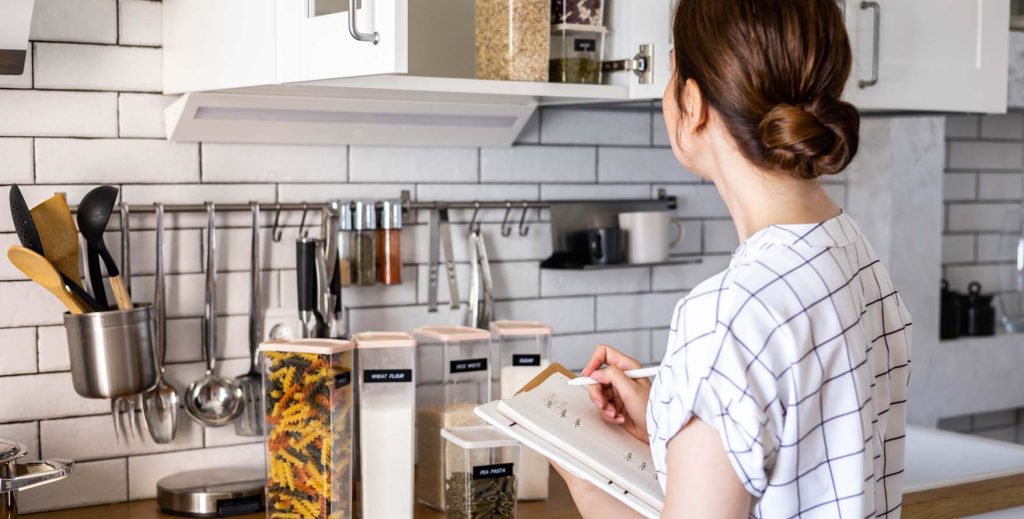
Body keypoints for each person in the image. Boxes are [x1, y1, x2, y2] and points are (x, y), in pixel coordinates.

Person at [554, 0, 913, 517]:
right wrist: (670, 415)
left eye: (671, 71)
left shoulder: (726, 314)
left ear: (693, 103)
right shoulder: (853, 254)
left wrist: (585, 479)